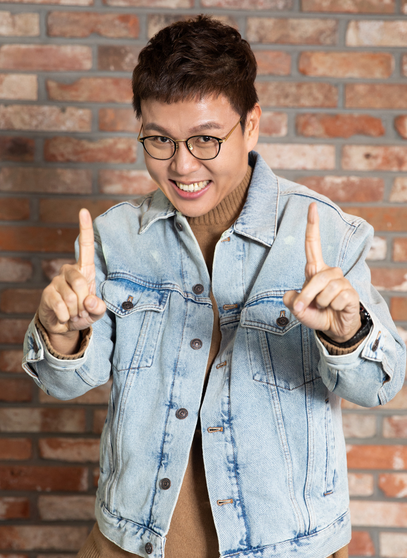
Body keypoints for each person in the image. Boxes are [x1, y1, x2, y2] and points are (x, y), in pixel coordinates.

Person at [23, 15, 405, 558]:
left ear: (251, 125)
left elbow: (379, 385)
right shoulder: (116, 237)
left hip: (288, 548)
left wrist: (348, 334)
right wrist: (59, 333)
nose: (182, 166)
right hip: (131, 542)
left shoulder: (324, 234)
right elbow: (64, 384)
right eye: (160, 139)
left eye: (205, 139)